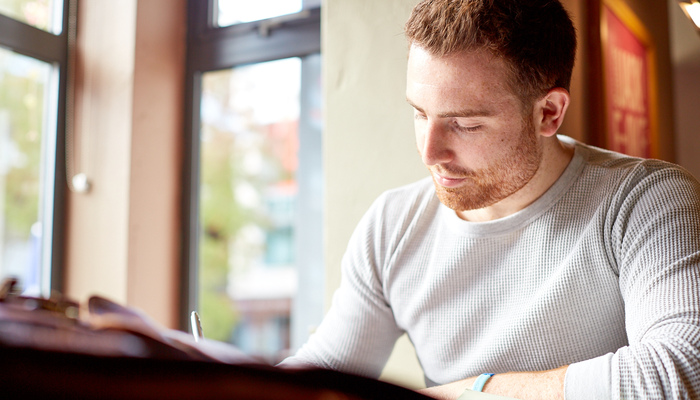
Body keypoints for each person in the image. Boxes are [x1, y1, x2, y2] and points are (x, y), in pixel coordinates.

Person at [280, 1, 700, 399]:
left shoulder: (645, 201)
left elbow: (681, 372)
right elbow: (323, 375)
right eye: (421, 113)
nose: (429, 154)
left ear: (549, 112)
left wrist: (467, 392)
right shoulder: (392, 224)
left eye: (465, 124)